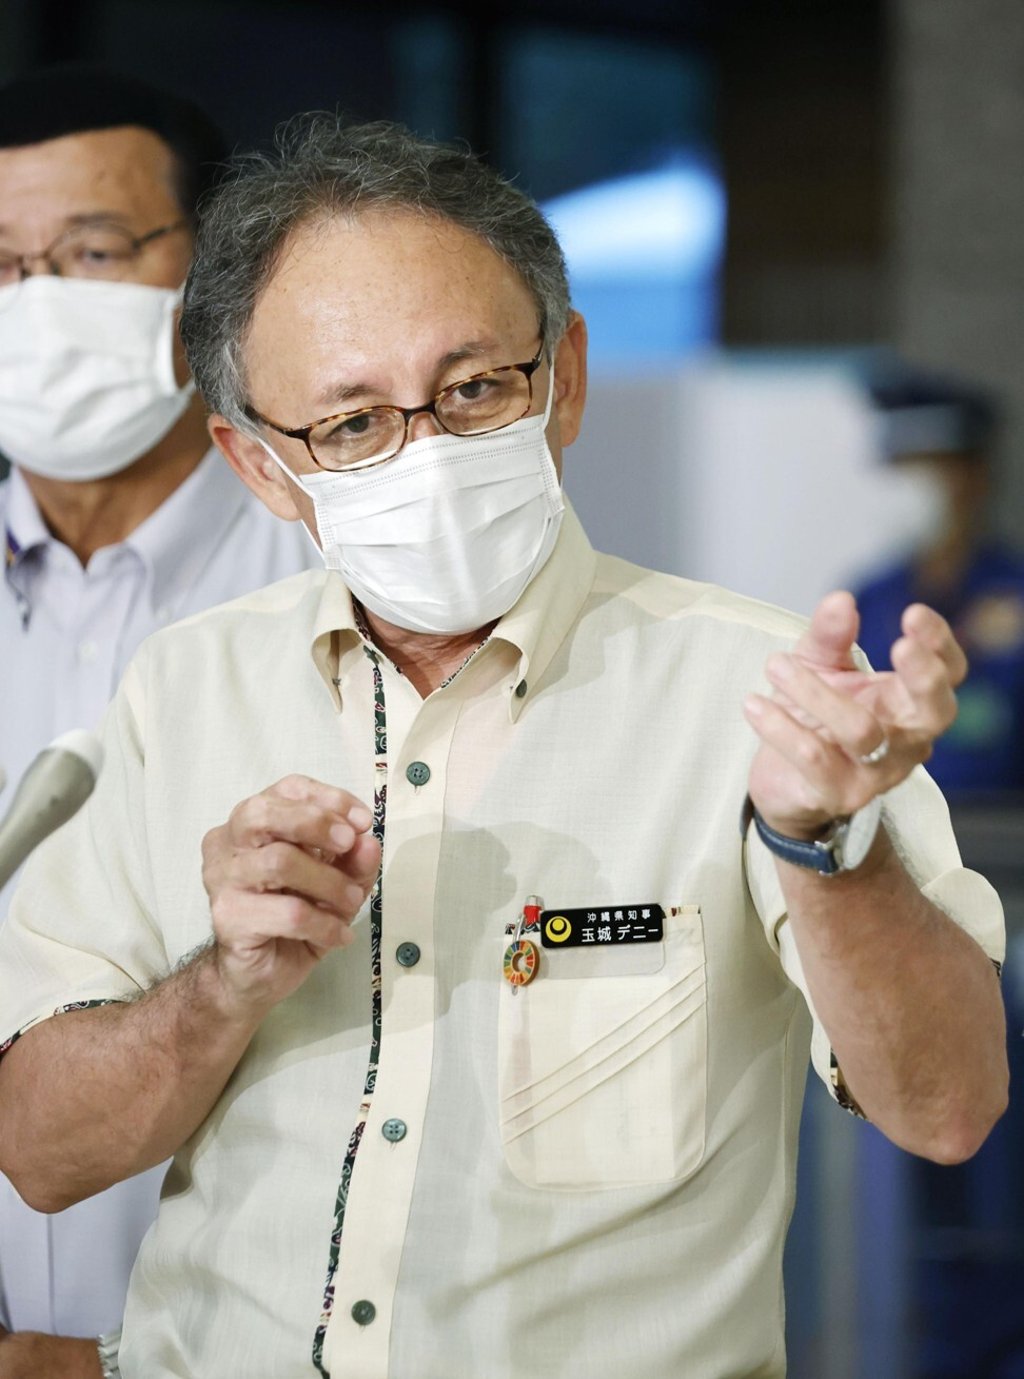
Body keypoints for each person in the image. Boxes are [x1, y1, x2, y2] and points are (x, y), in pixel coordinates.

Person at [0, 115, 1007, 1379]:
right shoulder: (184, 688)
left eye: (475, 389)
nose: (426, 455)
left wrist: (826, 844)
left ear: (564, 375)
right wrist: (225, 983)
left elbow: (948, 1107)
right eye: (351, 424)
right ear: (258, 466)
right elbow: (43, 1152)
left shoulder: (762, 692)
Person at [0, 67, 318, 1378]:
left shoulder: (341, 580)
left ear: (208, 269)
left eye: (91, 252)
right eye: (2, 265)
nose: (36, 304)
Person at [853, 367, 1024, 794]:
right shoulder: (867, 599)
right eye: (898, 470)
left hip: (1003, 825)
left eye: (928, 467)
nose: (909, 487)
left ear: (975, 477)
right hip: (890, 820)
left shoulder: (1015, 588)